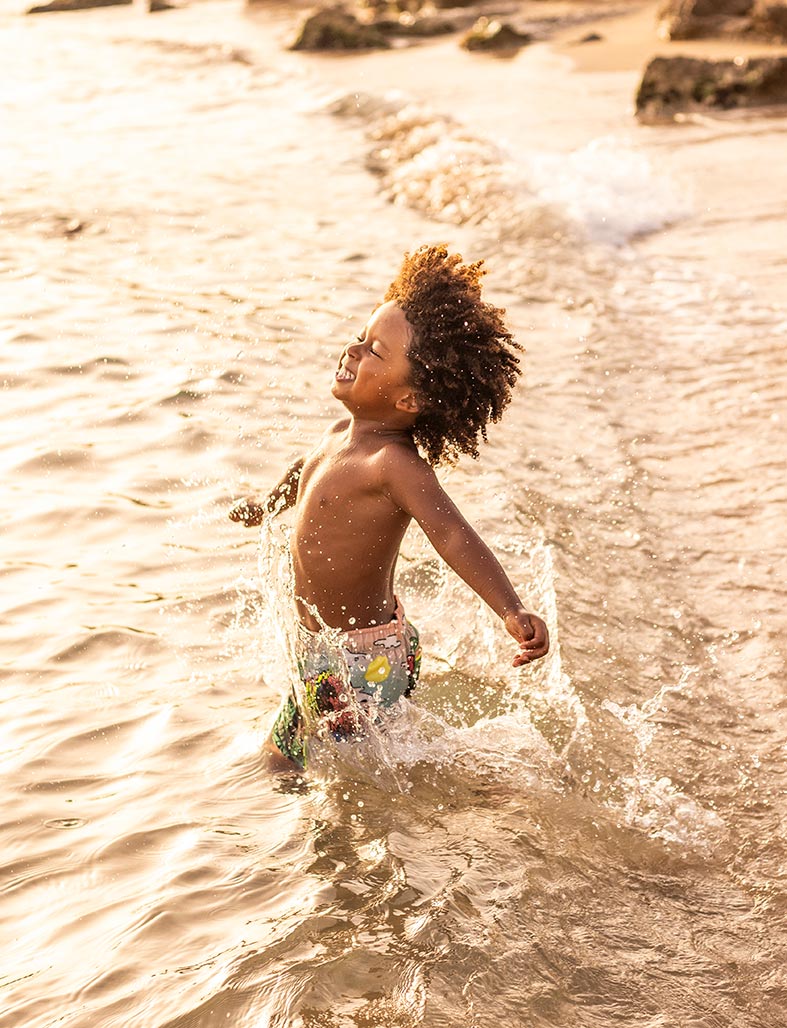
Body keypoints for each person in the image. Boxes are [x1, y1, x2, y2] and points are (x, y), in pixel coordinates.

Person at [230, 244, 549, 769]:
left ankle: (484, 788)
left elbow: (452, 536)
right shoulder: (339, 436)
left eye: (374, 352)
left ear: (410, 400)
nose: (353, 351)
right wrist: (266, 507)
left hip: (358, 661)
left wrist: (510, 609)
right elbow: (303, 474)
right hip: (327, 654)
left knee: (314, 776)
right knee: (315, 769)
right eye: (360, 338)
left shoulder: (393, 465)